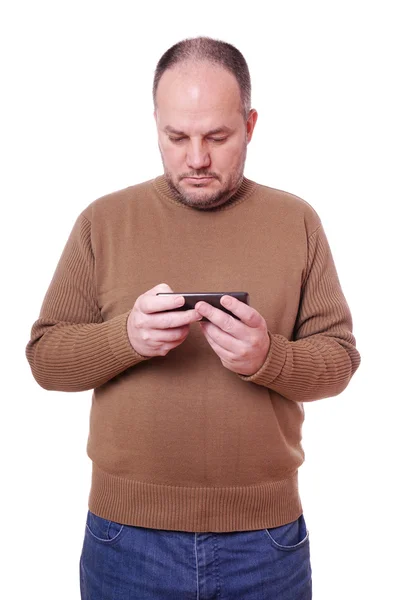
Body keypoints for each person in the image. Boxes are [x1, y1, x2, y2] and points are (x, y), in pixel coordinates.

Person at [26, 36, 360, 600]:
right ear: (155, 123)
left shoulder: (296, 220)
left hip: (265, 543)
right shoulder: (103, 221)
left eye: (218, 137)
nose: (197, 158)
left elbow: (340, 360)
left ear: (251, 125)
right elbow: (45, 359)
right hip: (124, 540)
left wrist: (268, 357)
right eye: (176, 137)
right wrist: (124, 339)